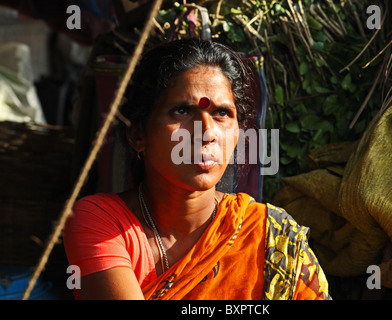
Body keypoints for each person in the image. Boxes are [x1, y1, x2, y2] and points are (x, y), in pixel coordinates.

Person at [63, 38, 331, 300]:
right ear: (138, 135)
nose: (206, 132)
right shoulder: (101, 222)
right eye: (182, 111)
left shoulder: (268, 235)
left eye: (222, 113)